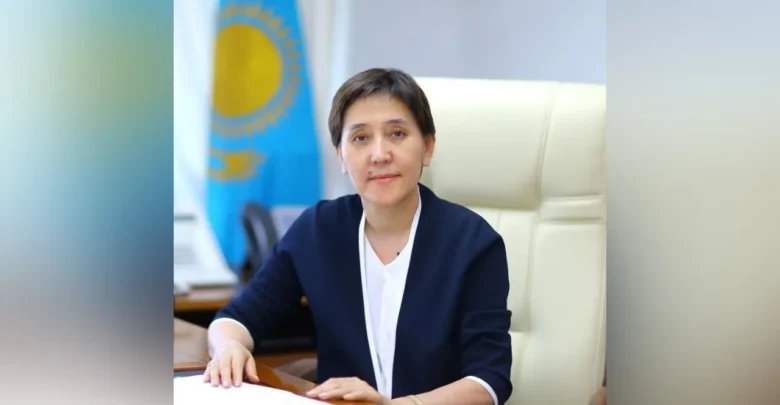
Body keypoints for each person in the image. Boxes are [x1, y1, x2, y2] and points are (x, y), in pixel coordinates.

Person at [204, 68, 513, 405]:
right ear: (341, 155)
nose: (379, 154)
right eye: (361, 138)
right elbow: (236, 318)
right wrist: (228, 347)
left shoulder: (473, 243)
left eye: (396, 133)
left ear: (427, 147)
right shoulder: (318, 230)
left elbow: (488, 382)